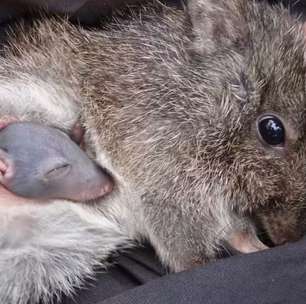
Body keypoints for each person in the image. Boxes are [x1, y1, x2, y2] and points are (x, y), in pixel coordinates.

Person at [1, 1, 306, 303]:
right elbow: (164, 187)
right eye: (272, 132)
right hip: (47, 104)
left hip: (54, 236)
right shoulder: (176, 77)